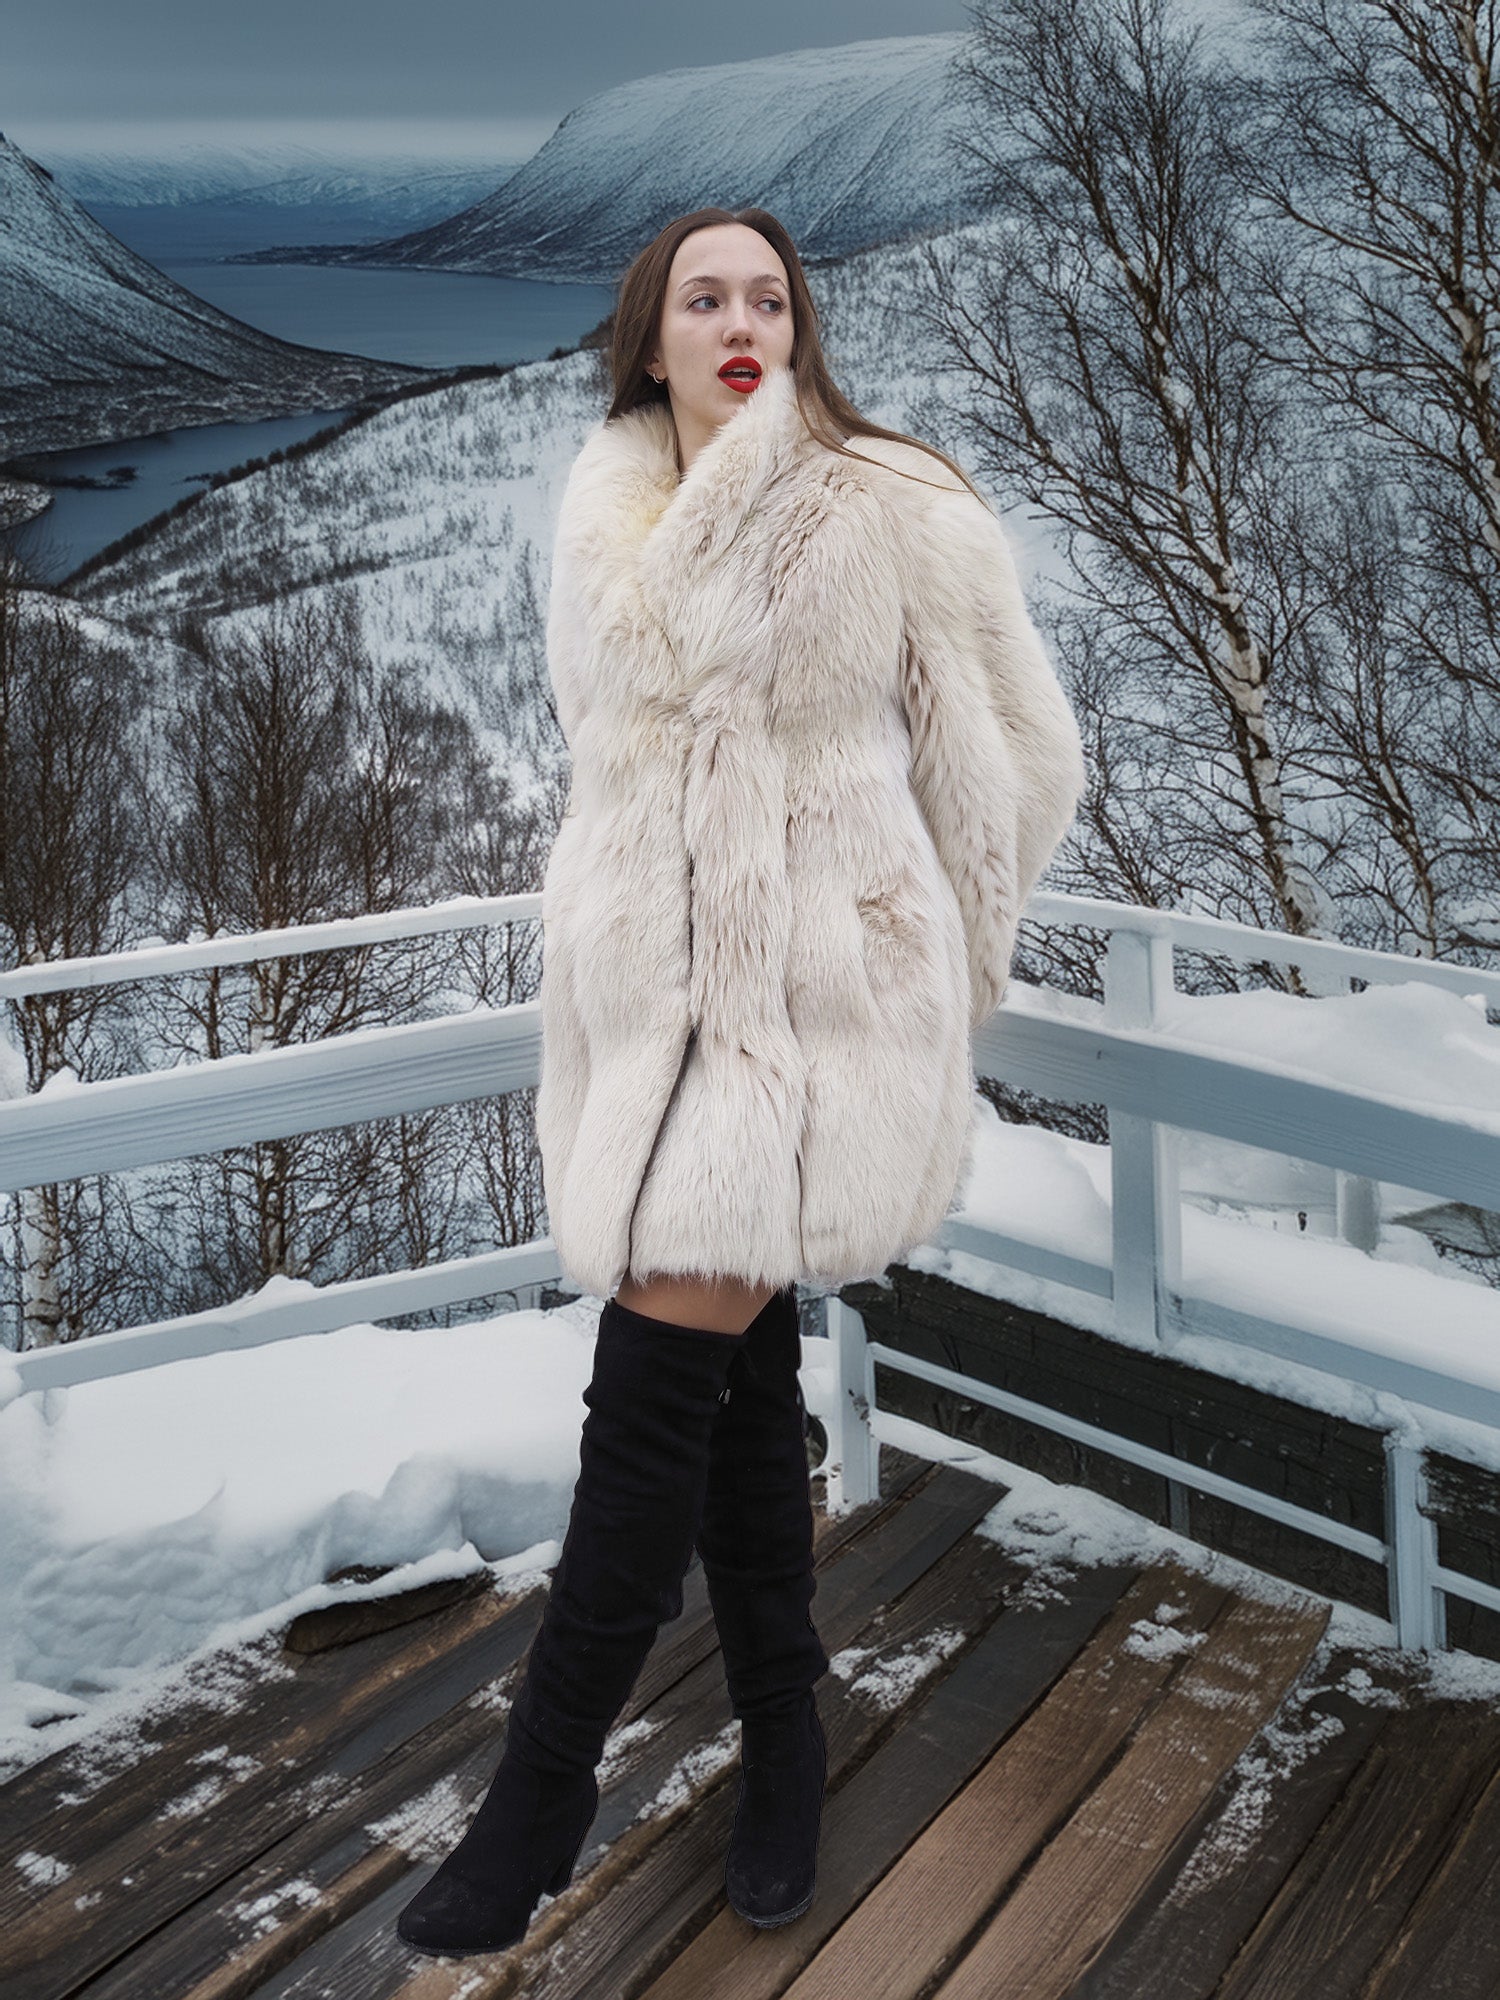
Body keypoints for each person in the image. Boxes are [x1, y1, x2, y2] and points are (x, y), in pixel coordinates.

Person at [396, 205, 1087, 1960]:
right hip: (648, 1018)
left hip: (806, 1018)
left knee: (645, 1397)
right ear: (649, 334)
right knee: (728, 1373)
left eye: (767, 298)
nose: (739, 323)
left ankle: (540, 1794)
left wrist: (923, 944)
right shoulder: (600, 511)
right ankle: (787, 1724)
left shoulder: (891, 501)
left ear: (797, 327)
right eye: (702, 297)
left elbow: (1016, 756)